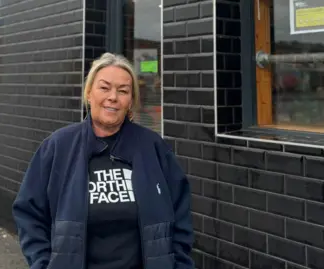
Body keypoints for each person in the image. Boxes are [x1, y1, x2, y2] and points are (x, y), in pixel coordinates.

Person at [12, 53, 194, 269]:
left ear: (130, 102)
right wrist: (43, 264)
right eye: (104, 88)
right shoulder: (58, 147)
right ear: (89, 93)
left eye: (123, 91)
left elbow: (181, 216)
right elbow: (29, 213)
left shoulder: (153, 148)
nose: (113, 97)